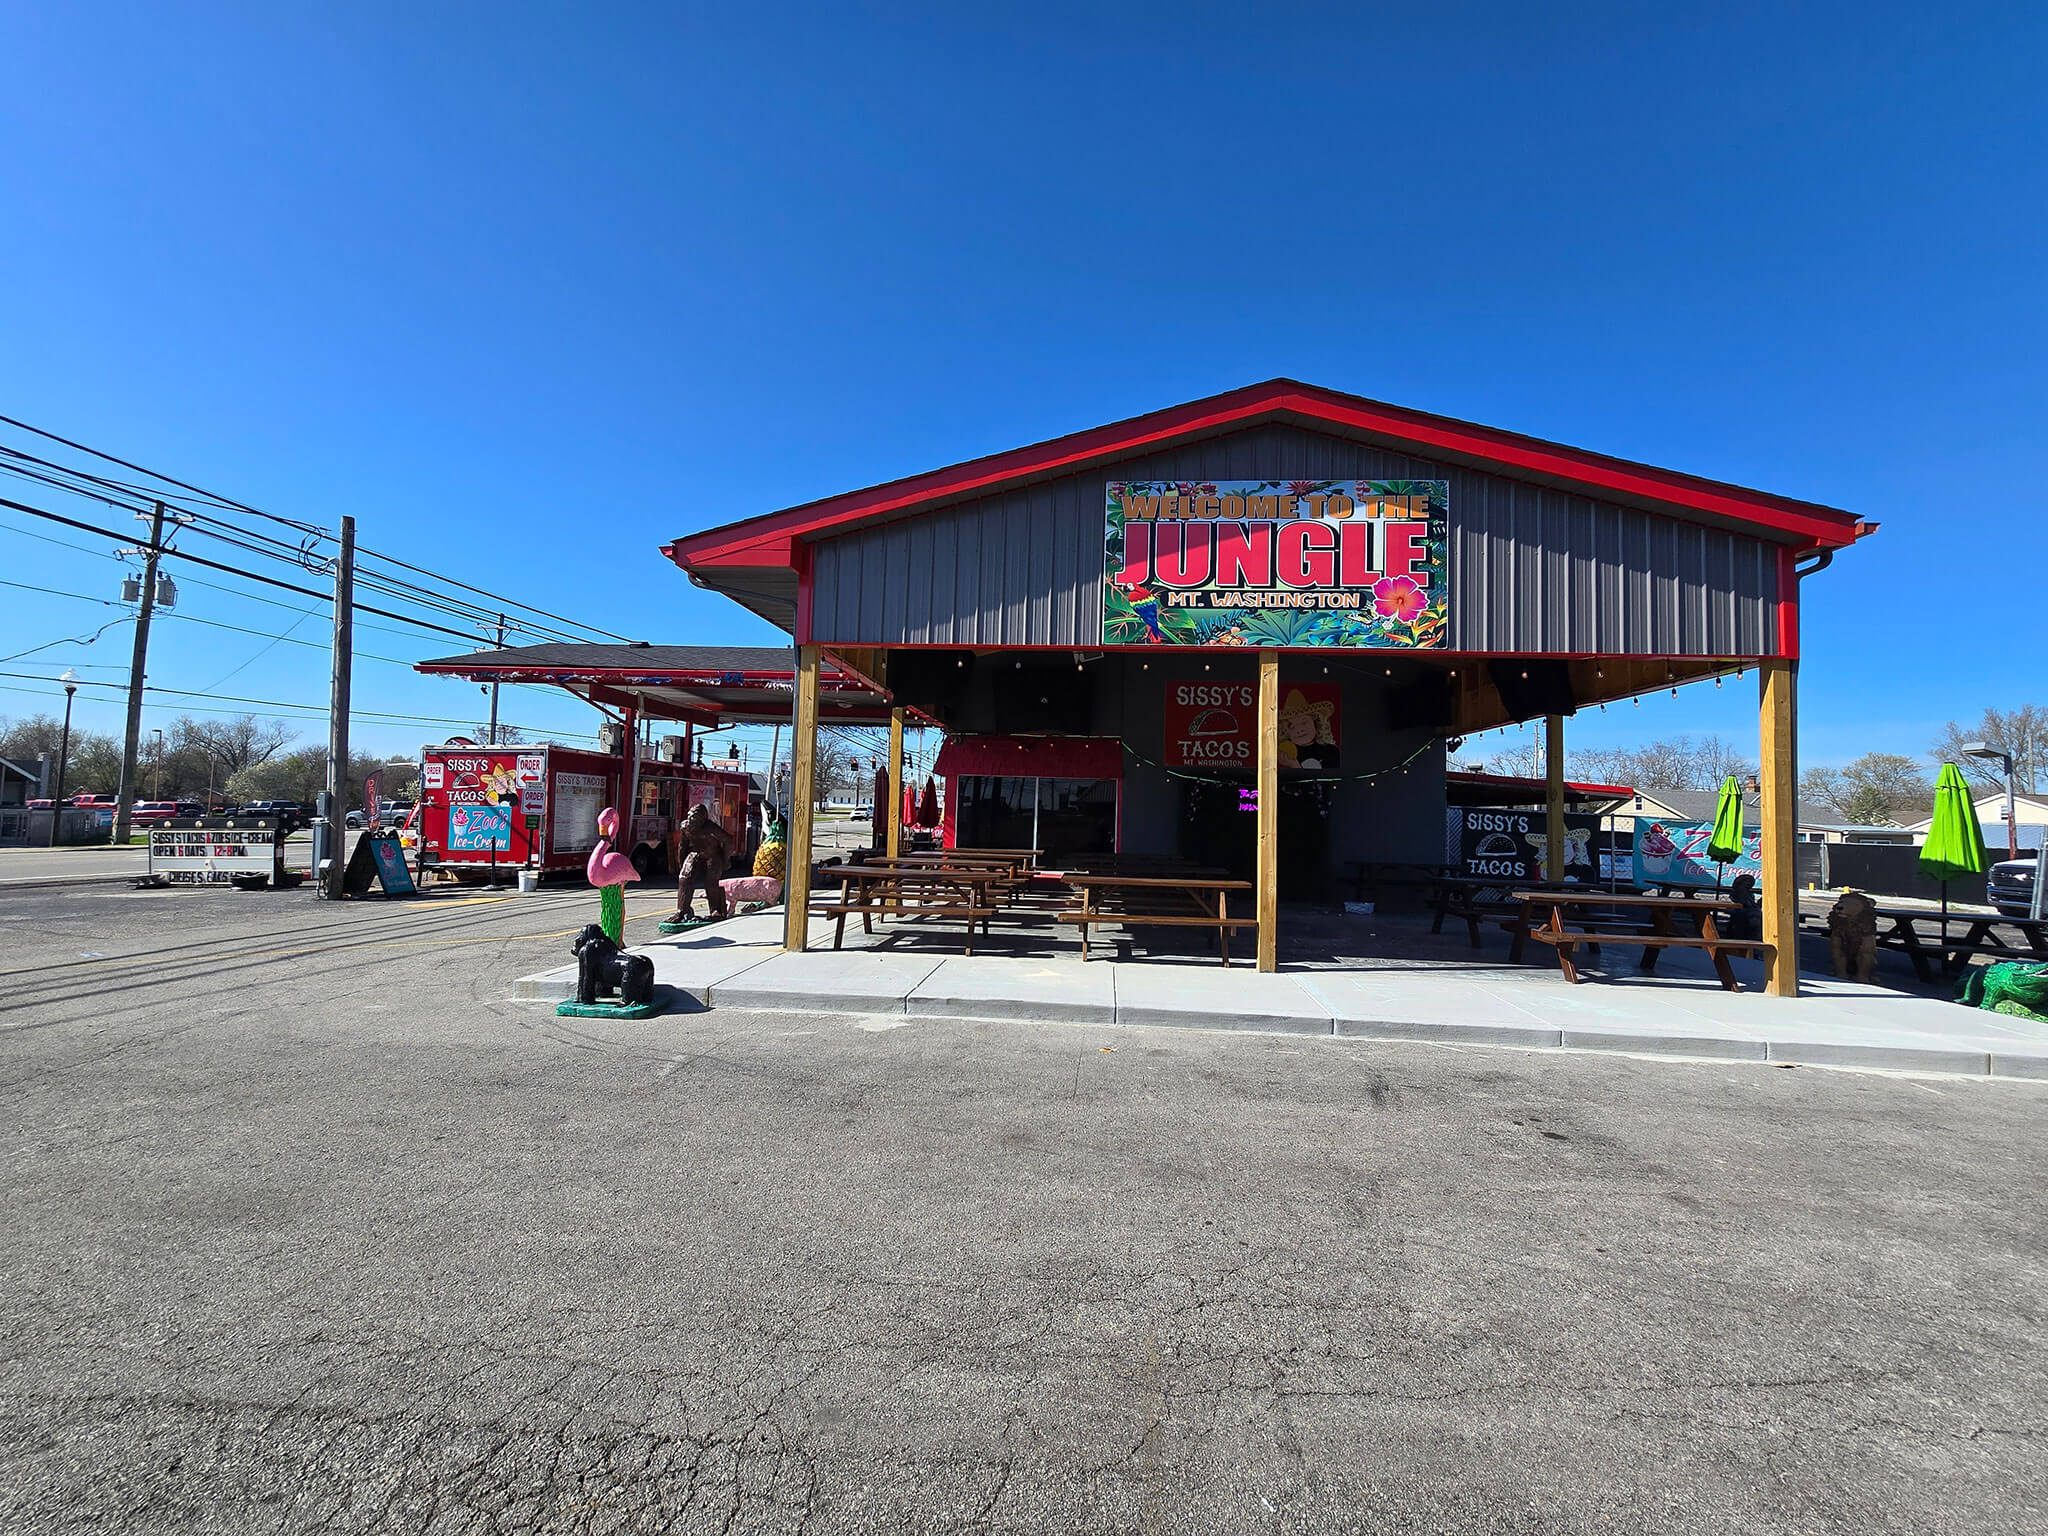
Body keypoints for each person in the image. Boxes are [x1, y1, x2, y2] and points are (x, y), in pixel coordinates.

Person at [669, 801, 734, 923]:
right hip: (695, 854)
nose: (692, 820)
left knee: (711, 881)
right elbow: (682, 846)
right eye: (690, 817)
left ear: (702, 820)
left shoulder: (710, 827)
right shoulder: (685, 826)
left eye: (696, 819)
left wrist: (725, 859)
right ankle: (682, 911)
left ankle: (716, 910)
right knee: (684, 878)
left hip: (712, 855)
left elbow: (728, 840)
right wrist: (682, 864)